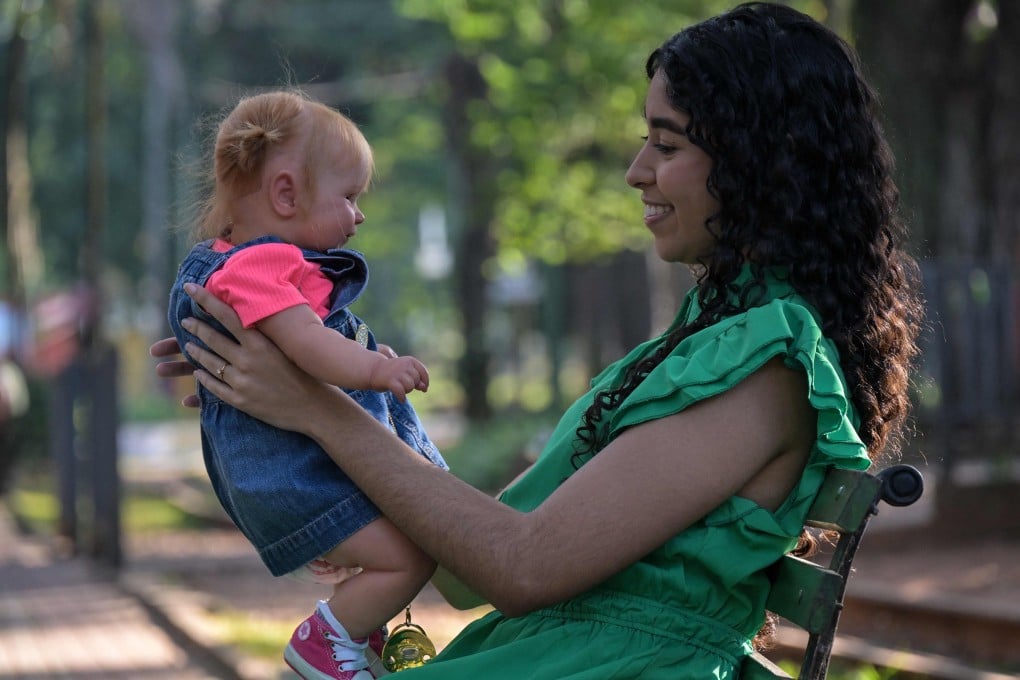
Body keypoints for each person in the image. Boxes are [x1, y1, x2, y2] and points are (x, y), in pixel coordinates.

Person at [153, 3, 923, 677]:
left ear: (760, 164)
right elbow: (471, 568)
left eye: (668, 143)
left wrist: (315, 408)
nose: (635, 171)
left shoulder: (767, 365)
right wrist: (260, 385)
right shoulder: (710, 346)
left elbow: (518, 567)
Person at [165, 90, 448, 680]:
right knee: (411, 556)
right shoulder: (263, 265)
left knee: (413, 541)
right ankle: (327, 641)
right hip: (293, 469)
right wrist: (375, 370)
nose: (359, 215)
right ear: (287, 193)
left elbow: (305, 342)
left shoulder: (235, 262)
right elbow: (309, 345)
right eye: (349, 197)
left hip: (291, 465)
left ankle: (352, 633)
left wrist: (365, 358)